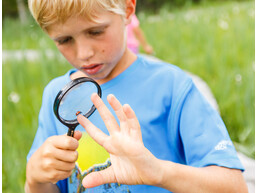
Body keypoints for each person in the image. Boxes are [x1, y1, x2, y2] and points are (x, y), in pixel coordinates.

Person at [25, 0, 248, 193]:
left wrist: (158, 172)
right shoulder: (55, 95)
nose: (84, 53)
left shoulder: (171, 86)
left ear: (128, 9)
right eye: (64, 40)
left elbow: (234, 187)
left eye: (96, 32)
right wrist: (34, 180)